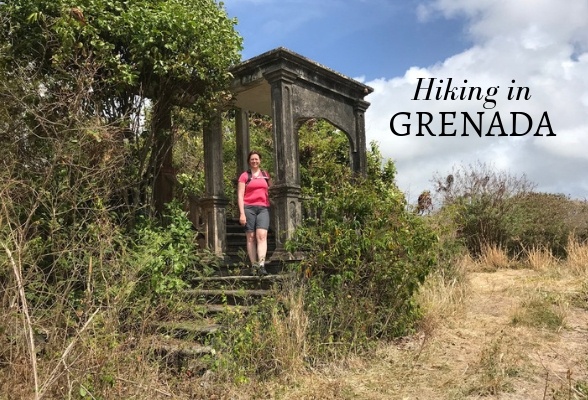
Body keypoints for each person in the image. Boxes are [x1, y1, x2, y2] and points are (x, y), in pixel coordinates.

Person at [237, 151, 272, 276]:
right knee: (251, 237)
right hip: (248, 208)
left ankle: (261, 265)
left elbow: (271, 191)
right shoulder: (244, 176)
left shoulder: (265, 175)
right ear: (249, 161)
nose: (254, 161)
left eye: (256, 159)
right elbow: (240, 195)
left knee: (262, 235)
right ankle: (254, 265)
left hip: (263, 208)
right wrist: (242, 213)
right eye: (252, 159)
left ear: (260, 161)